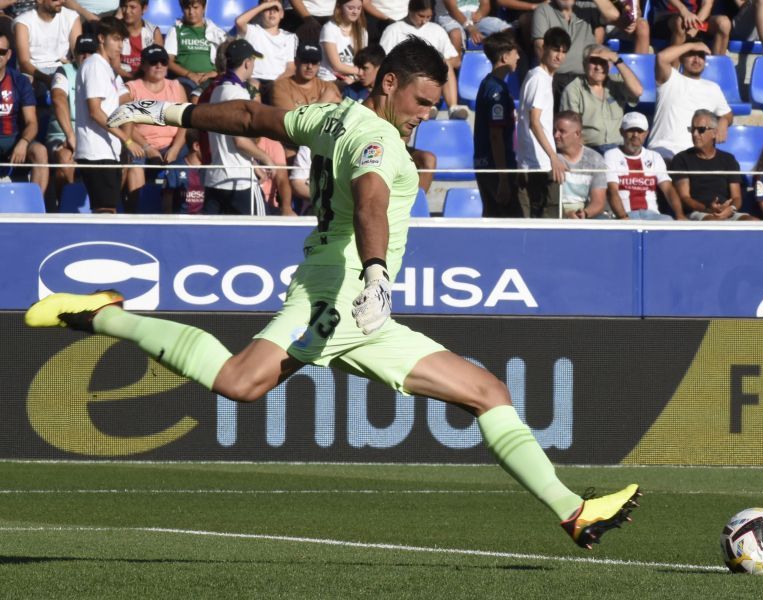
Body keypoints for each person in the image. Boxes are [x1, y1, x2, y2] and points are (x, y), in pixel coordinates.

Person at [30, 37, 641, 552]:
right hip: (341, 293)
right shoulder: (378, 139)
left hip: (358, 307)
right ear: (390, 83)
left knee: (487, 392)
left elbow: (251, 118)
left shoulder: (332, 117)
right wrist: (376, 275)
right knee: (241, 382)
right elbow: (371, 201)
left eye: (434, 105)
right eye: (421, 101)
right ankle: (107, 315)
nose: (426, 114)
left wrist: (168, 111)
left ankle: (572, 510)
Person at [74, 16, 143, 213]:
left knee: (107, 210)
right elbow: (95, 111)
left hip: (106, 150)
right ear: (101, 38)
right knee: (105, 211)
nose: (121, 46)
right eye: (116, 39)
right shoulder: (95, 65)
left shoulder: (106, 68)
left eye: (122, 40)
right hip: (96, 152)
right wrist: (126, 140)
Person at [199, 39, 276, 215]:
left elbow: (228, 140)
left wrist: (254, 164)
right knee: (262, 229)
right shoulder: (237, 93)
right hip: (240, 181)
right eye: (253, 60)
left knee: (211, 232)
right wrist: (266, 158)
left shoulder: (217, 90)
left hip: (215, 178)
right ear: (247, 63)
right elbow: (240, 141)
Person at [124, 44, 188, 210]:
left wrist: (175, 148)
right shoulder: (131, 88)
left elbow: (184, 123)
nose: (159, 66)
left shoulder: (176, 87)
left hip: (173, 144)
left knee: (188, 160)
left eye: (163, 62)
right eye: (153, 62)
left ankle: (182, 211)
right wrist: (147, 147)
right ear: (143, 65)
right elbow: (127, 125)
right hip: (141, 144)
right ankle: (136, 213)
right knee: (135, 164)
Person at [380, 0, 468, 120]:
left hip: (433, 76)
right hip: (406, 76)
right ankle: (426, 105)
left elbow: (455, 60)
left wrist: (435, 63)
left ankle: (452, 107)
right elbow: (384, 60)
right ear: (410, 11)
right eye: (421, 16)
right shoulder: (393, 30)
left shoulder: (437, 30)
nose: (424, 21)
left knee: (445, 64)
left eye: (428, 17)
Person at [647, 40, 732, 161]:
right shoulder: (671, 78)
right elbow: (661, 58)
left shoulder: (713, 88)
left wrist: (724, 120)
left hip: (696, 156)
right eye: (691, 54)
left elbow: (728, 115)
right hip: (663, 152)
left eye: (701, 56)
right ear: (681, 58)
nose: (697, 60)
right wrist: (693, 45)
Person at [517, 27, 570, 218]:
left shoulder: (541, 77)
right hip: (537, 164)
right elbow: (535, 122)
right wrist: (553, 157)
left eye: (563, 52)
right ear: (544, 48)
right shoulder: (539, 78)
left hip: (539, 162)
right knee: (546, 222)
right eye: (555, 50)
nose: (559, 56)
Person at [670, 109, 754, 221]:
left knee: (753, 222)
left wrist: (731, 208)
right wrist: (707, 209)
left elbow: (736, 197)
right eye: (693, 129)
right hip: (698, 212)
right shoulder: (681, 159)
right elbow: (685, 197)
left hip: (726, 212)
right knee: (714, 223)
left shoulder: (728, 159)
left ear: (714, 133)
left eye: (701, 130)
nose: (695, 134)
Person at [559, 43, 641, 153]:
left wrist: (617, 60)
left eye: (602, 62)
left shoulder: (616, 82)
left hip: (619, 148)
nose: (598, 67)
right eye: (593, 62)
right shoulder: (573, 89)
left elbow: (638, 91)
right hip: (591, 148)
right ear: (584, 65)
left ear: (609, 65)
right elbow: (569, 130)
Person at [473, 31, 520, 218]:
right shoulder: (497, 91)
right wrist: (503, 177)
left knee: (491, 218)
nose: (518, 57)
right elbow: (495, 135)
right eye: (515, 52)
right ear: (505, 57)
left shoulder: (488, 84)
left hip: (485, 164)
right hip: (496, 167)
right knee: (508, 222)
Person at [271, 42, 342, 161]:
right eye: (305, 61)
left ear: (319, 64)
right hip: (292, 148)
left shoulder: (329, 87)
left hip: (322, 147)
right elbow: (293, 124)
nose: (310, 66)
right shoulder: (280, 86)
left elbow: (338, 120)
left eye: (314, 62)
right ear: (296, 61)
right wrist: (323, 102)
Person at [603, 111, 681, 220]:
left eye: (640, 131)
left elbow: (668, 189)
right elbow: (612, 191)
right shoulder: (611, 155)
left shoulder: (655, 156)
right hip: (626, 215)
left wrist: (680, 216)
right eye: (631, 130)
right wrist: (623, 217)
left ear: (646, 133)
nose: (635, 135)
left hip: (652, 215)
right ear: (621, 132)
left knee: (668, 221)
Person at [46, 31, 96, 201]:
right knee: (65, 159)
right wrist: (71, 135)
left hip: (94, 134)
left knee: (123, 159)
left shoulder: (105, 72)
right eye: (82, 52)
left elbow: (122, 100)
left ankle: (108, 207)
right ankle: (67, 208)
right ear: (74, 54)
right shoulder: (63, 71)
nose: (86, 56)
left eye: (91, 52)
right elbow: (58, 99)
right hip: (64, 133)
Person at [0, 30, 48, 201]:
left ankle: (34, 206)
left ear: (9, 55)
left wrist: (23, 142)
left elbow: (31, 122)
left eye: (2, 52)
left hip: (13, 138)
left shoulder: (19, 81)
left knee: (40, 151)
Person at [531, 0, 602, 103]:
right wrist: (549, 78)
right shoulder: (543, 10)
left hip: (585, 77)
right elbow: (540, 47)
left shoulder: (591, 8)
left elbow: (614, 16)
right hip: (556, 78)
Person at [13, 0, 81, 94]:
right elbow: (24, 63)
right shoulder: (23, 22)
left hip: (62, 69)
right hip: (34, 72)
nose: (62, 1)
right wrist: (48, 79)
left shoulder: (72, 17)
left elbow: (78, 53)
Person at [236, 0, 300, 98]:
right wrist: (264, 5)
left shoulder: (289, 37)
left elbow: (291, 68)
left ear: (282, 14)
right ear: (260, 13)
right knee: (253, 87)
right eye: (267, 9)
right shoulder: (253, 31)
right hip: (254, 78)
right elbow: (239, 22)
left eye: (276, 9)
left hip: (278, 81)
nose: (272, 12)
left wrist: (276, 84)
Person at [553, 111, 609, 219]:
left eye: (561, 131)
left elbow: (599, 202)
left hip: (583, 214)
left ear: (577, 134)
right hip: (554, 213)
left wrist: (584, 213)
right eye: (554, 130)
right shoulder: (549, 157)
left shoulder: (595, 159)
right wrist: (566, 215)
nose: (556, 135)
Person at [163, 0, 226, 93]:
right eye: (187, 8)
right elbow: (168, 61)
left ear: (204, 8)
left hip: (211, 78)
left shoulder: (216, 32)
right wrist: (189, 74)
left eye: (195, 7)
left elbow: (227, 61)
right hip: (185, 79)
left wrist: (214, 73)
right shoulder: (176, 30)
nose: (191, 12)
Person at [650, 0, 731, 55]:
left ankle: (716, 70)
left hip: (696, 19)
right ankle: (674, 71)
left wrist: (695, 27)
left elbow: (707, 4)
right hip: (666, 17)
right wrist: (684, 11)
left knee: (724, 23)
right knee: (680, 23)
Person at [434, 0, 511, 57]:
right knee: (456, 34)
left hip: (474, 16)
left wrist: (480, 13)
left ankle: (506, 65)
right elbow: (452, 9)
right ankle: (455, 69)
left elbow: (485, 4)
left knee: (506, 29)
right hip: (449, 17)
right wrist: (470, 27)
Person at [319, 0, 367, 84]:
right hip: (330, 78)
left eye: (359, 8)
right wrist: (360, 72)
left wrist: (356, 79)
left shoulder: (363, 32)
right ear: (339, 7)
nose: (355, 12)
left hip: (352, 78)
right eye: (351, 8)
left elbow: (362, 61)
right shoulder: (329, 28)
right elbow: (337, 66)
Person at [160, 127, 204, 214]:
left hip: (206, 221)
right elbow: (167, 207)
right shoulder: (174, 169)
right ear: (196, 146)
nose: (211, 150)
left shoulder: (211, 169)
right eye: (207, 146)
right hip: (180, 220)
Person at [116, 0, 163, 80]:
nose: (127, 11)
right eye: (124, 6)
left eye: (132, 7)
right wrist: (134, 80)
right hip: (121, 79)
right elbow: (115, 66)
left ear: (144, 8)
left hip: (147, 80)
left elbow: (159, 63)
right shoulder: (114, 30)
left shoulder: (153, 32)